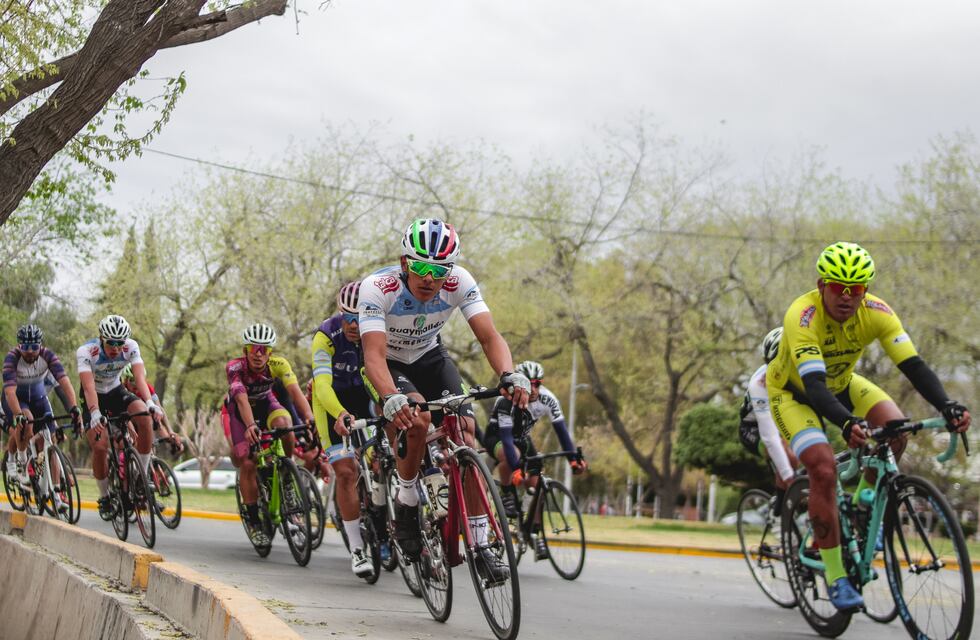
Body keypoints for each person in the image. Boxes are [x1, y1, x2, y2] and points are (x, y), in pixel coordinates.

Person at [766, 241, 971, 611]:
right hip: (794, 393)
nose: (846, 297)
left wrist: (947, 405)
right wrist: (846, 423)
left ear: (866, 291)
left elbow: (913, 365)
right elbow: (814, 386)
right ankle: (836, 577)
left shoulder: (877, 312)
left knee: (896, 428)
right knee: (823, 468)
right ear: (821, 284)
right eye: (838, 288)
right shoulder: (803, 315)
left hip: (843, 383)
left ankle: (862, 504)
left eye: (856, 289)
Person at [359, 217, 530, 582]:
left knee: (466, 433)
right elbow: (372, 356)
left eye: (439, 270)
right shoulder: (377, 288)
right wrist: (391, 396)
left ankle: (482, 545)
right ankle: (406, 500)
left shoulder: (459, 282)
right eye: (420, 267)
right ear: (404, 263)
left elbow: (489, 336)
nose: (429, 278)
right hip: (389, 362)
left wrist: (508, 374)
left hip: (430, 358)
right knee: (418, 420)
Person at [311, 281, 384, 577]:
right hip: (332, 402)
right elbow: (323, 386)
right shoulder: (325, 336)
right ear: (341, 314)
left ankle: (385, 518)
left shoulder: (375, 329)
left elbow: (384, 377)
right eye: (348, 318)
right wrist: (339, 413)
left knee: (383, 458)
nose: (354, 324)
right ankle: (356, 550)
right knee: (345, 471)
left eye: (360, 317)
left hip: (362, 394)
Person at [484, 360, 586, 559]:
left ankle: (532, 531)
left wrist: (573, 459)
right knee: (512, 455)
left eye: (537, 384)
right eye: (528, 384)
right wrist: (515, 468)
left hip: (522, 439)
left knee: (537, 481)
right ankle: (506, 494)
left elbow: (562, 433)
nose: (533, 389)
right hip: (498, 437)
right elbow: (506, 438)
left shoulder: (548, 399)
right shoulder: (506, 400)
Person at [224, 323, 312, 546]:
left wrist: (310, 419)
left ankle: (287, 473)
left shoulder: (279, 364)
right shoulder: (235, 367)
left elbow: (295, 393)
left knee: (285, 425)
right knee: (248, 462)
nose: (259, 354)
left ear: (270, 352)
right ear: (246, 350)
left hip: (266, 404)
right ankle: (254, 521)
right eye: (254, 348)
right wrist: (251, 425)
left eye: (264, 349)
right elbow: (241, 399)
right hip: (240, 412)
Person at [77, 315, 160, 519]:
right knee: (100, 447)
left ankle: (141, 473)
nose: (115, 348)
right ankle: (105, 495)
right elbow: (88, 387)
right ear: (101, 338)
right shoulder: (87, 352)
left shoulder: (131, 347)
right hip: (93, 396)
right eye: (111, 343)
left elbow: (140, 377)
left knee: (144, 416)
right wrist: (94, 412)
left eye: (119, 343)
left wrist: (150, 402)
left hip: (115, 391)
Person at [3, 324, 80, 512]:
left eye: (34, 347)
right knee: (26, 422)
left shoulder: (48, 356)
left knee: (50, 442)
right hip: (17, 400)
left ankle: (55, 493)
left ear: (40, 345)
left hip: (39, 400)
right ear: (19, 346)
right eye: (25, 347)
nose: (30, 352)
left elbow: (65, 382)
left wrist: (75, 409)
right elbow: (10, 393)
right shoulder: (12, 358)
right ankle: (21, 462)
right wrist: (18, 415)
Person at [737, 328, 797, 502]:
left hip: (781, 419)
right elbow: (770, 438)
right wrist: (789, 477)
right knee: (788, 457)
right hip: (753, 429)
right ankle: (780, 511)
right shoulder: (759, 384)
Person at [120, 363, 183, 455]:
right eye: (133, 384)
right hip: (126, 420)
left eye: (138, 384)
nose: (136, 389)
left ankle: (152, 460)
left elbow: (159, 409)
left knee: (154, 420)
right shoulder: (122, 389)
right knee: (125, 444)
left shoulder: (147, 388)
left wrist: (170, 431)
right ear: (126, 380)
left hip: (143, 418)